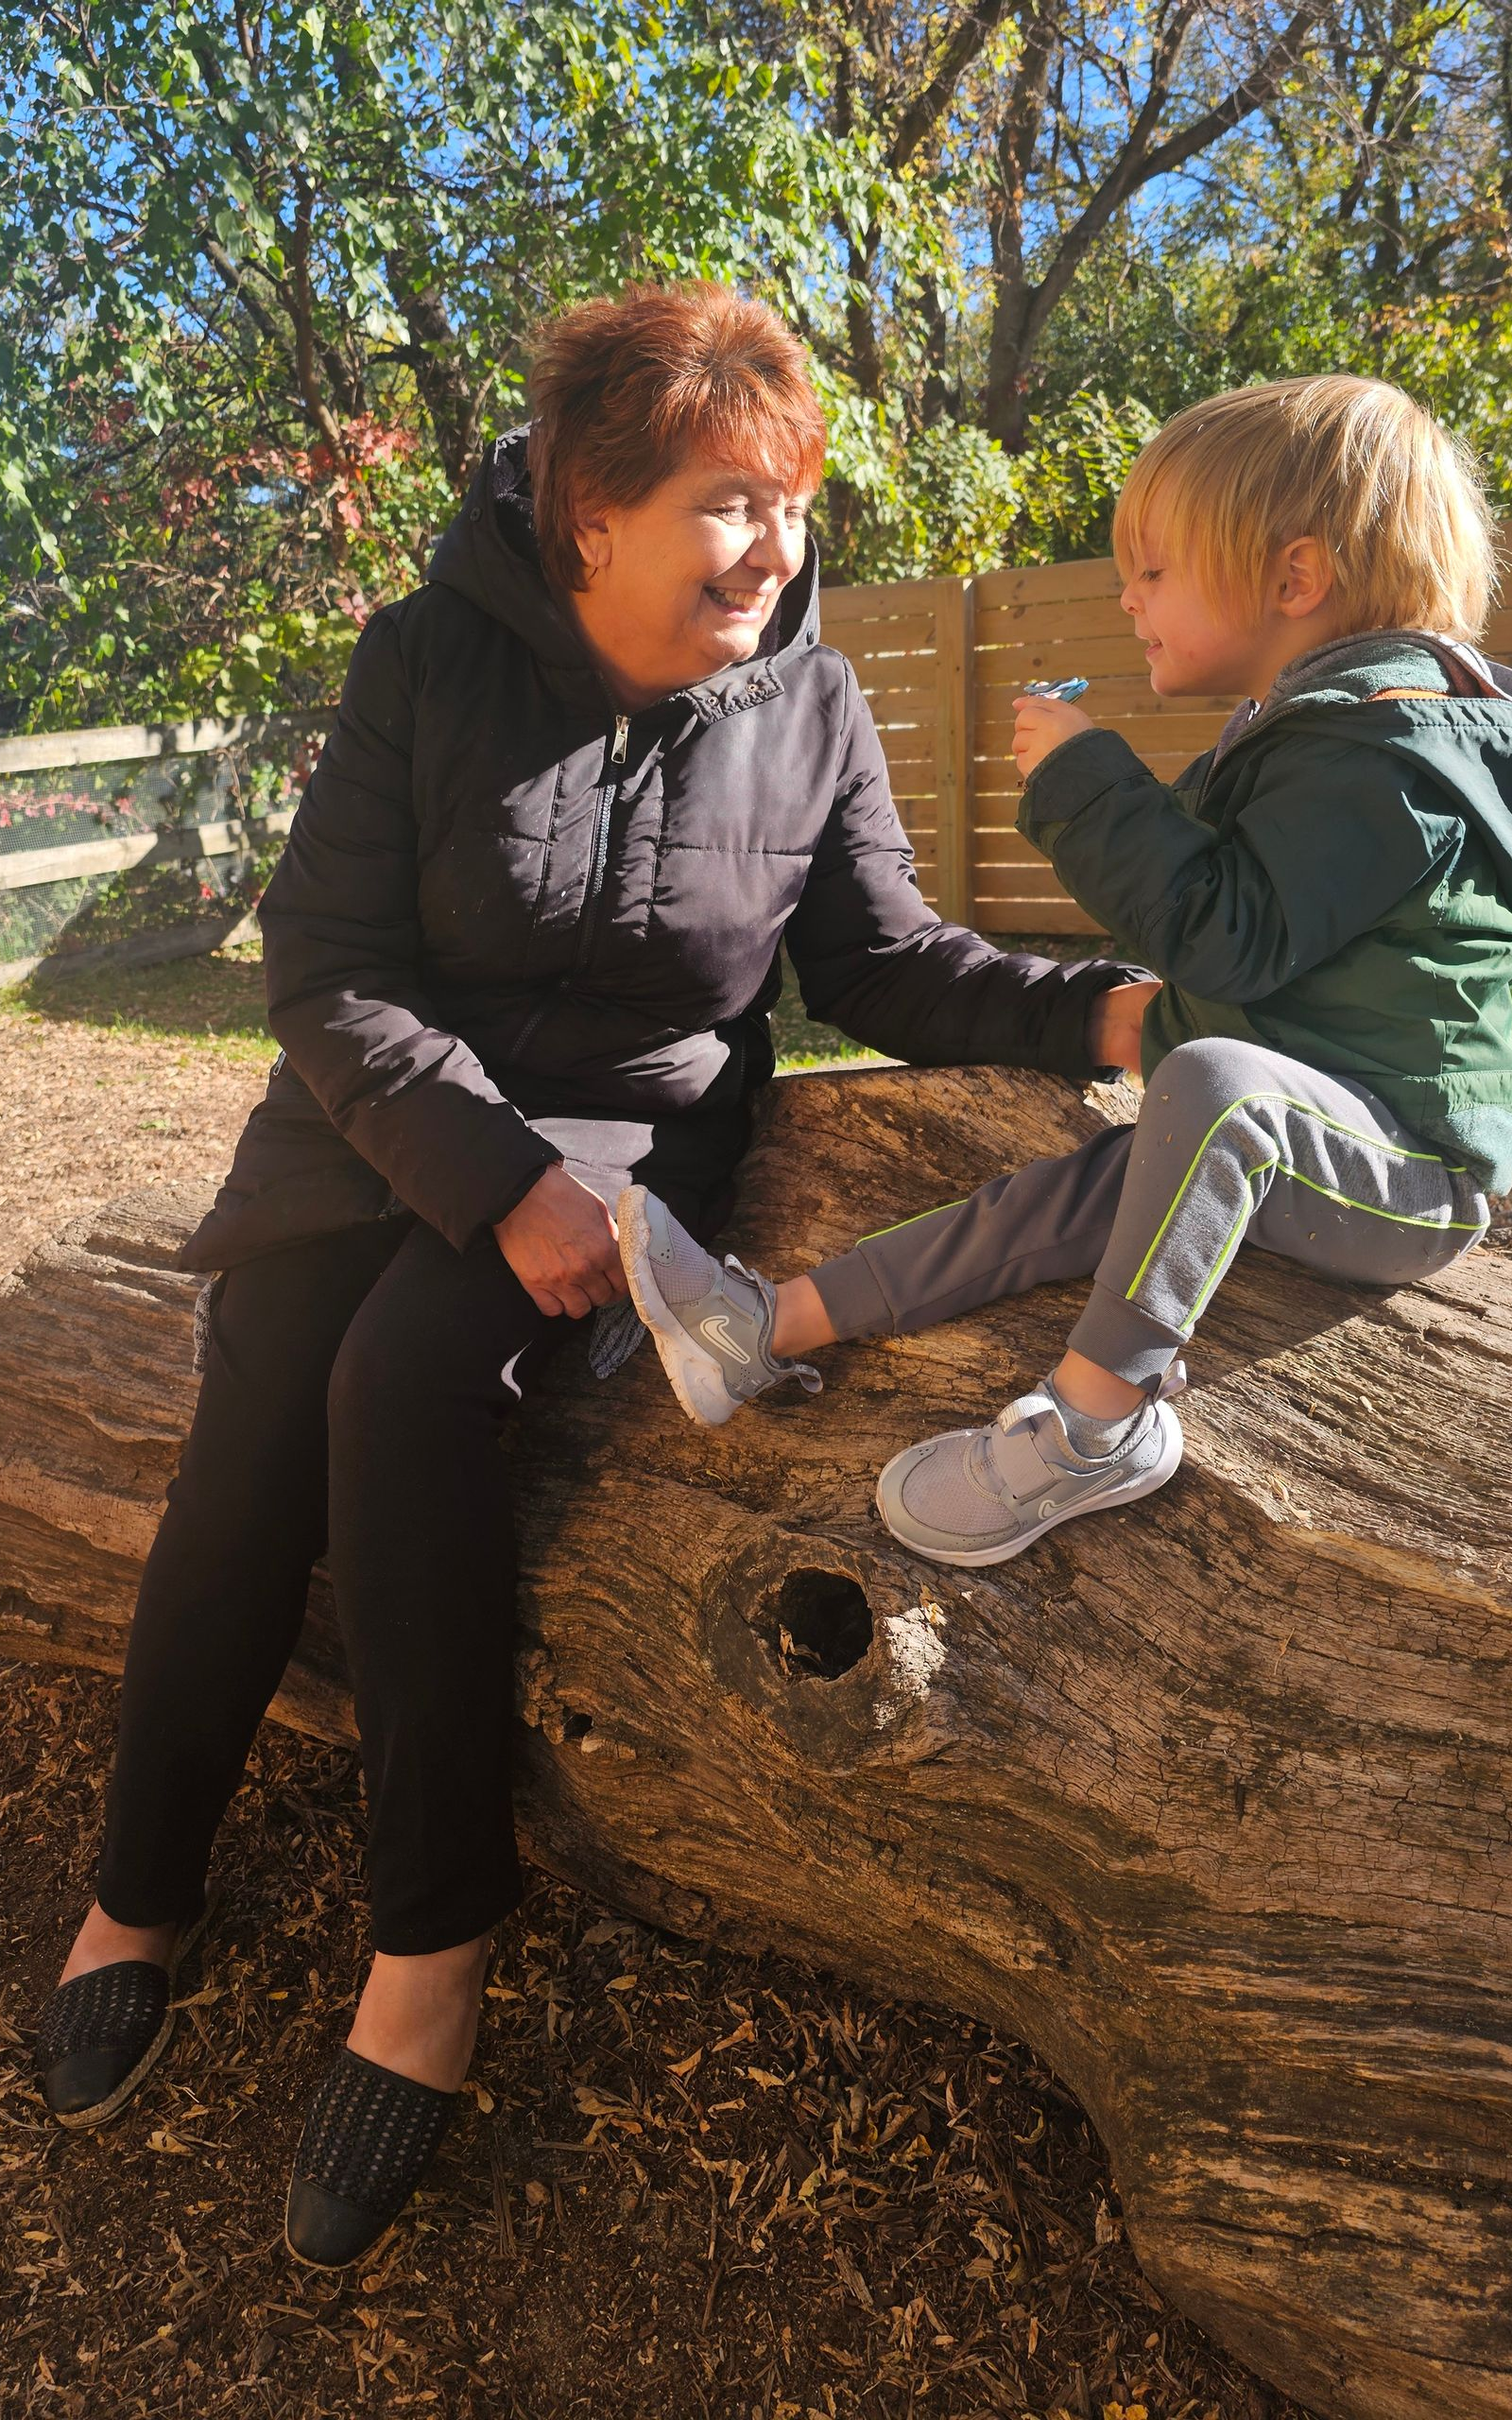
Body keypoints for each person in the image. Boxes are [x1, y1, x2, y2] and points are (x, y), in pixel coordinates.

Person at [32, 280, 1150, 2266]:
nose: (774, 545)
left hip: (630, 1132)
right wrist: (482, 1169)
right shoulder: (423, 658)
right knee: (249, 1442)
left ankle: (431, 1936)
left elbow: (881, 958)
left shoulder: (805, 701)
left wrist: (1105, 1014)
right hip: (369, 1116)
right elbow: (327, 969)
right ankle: (137, 1880)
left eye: (790, 503)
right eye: (727, 502)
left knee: (406, 1393)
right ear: (587, 512)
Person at [620, 373, 1511, 1567]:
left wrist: (1090, 783)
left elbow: (1224, 935)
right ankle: (767, 1323)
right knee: (1050, 1198)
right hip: (1304, 1113)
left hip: (1400, 1165)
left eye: (1153, 570)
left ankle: (1100, 1420)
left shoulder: (1388, 755)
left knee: (1211, 1087)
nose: (1125, 597)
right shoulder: (1330, 730)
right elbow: (1276, 949)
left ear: (1294, 581)